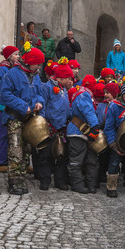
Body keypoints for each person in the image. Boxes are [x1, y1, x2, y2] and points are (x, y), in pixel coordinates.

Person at [0, 46, 45, 195]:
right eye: (38, 64)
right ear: (30, 62)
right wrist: (22, 106)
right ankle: (14, 182)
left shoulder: (35, 75)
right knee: (15, 150)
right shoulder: (12, 74)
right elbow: (4, 94)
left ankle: (21, 178)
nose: (39, 67)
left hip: (29, 119)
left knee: (26, 151)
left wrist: (39, 101)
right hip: (15, 118)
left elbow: (39, 93)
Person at [35, 63, 72, 191]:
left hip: (62, 127)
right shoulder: (47, 87)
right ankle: (45, 180)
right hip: (49, 126)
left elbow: (66, 106)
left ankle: (60, 181)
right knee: (46, 155)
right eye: (68, 78)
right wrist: (44, 121)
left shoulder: (63, 89)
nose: (70, 81)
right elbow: (43, 105)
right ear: (61, 77)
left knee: (61, 155)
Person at [66, 76, 101, 193]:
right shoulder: (84, 94)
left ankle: (89, 184)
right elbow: (88, 111)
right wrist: (95, 127)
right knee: (78, 161)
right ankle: (78, 185)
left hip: (81, 131)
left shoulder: (79, 93)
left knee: (90, 160)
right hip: (78, 133)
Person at [0, 45, 20, 172]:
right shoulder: (2, 69)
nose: (18, 57)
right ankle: (1, 161)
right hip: (2, 106)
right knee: (2, 134)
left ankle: (12, 159)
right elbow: (0, 87)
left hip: (11, 105)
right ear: (9, 56)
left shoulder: (13, 68)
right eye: (15, 54)